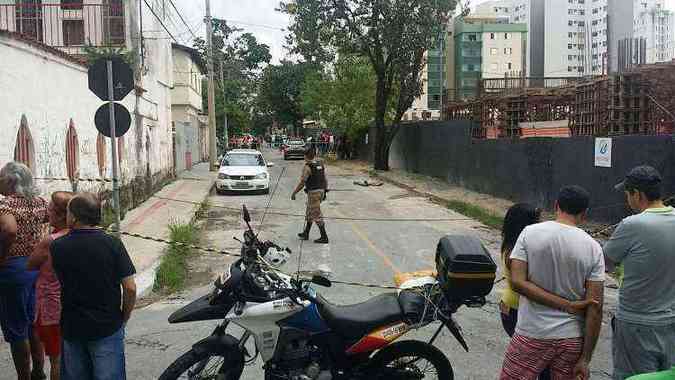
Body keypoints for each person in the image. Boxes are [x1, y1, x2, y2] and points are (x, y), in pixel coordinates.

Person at [500, 186, 605, 380]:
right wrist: (585, 359)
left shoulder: (529, 233)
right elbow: (595, 309)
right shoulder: (594, 248)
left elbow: (517, 282)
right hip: (571, 338)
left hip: (532, 333)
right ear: (584, 214)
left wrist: (567, 306)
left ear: (556, 205)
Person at [51, 193, 137, 380]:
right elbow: (130, 288)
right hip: (107, 326)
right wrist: (125, 314)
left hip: (73, 326)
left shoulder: (57, 247)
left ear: (73, 217)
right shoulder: (113, 244)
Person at [603, 165, 675, 380]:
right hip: (670, 319)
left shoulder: (632, 224)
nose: (627, 199)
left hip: (637, 322)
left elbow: (605, 262)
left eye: (627, 194)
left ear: (638, 194)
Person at [0, 162, 49, 380]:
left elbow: (9, 230)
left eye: (0, 177)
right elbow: (50, 220)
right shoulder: (39, 203)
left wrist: (1, 257)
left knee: (17, 328)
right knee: (32, 324)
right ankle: (38, 371)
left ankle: (24, 377)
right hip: (36, 267)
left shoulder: (6, 206)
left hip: (13, 270)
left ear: (10, 181)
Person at [27, 191, 74, 380]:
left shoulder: (50, 242)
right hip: (71, 304)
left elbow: (31, 264)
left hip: (51, 307)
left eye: (51, 208)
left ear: (62, 215)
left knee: (57, 359)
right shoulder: (75, 235)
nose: (47, 211)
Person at [291, 149, 329, 244]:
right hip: (321, 191)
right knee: (309, 212)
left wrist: (294, 192)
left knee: (316, 214)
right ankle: (306, 233)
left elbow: (303, 182)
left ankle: (324, 236)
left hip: (313, 193)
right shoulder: (320, 164)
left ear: (305, 156)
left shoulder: (308, 167)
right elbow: (325, 179)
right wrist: (324, 191)